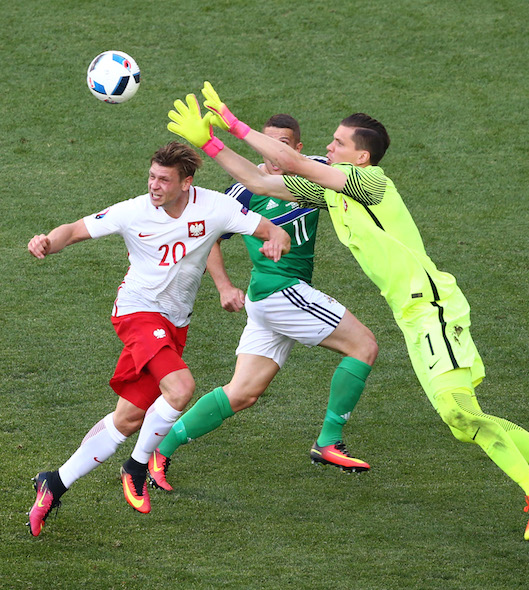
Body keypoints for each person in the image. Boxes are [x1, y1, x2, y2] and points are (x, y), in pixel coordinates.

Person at [165, 84, 529, 542]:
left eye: (339, 143)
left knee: (460, 414)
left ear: (360, 158)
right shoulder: (331, 193)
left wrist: (233, 122)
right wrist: (209, 142)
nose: (328, 146)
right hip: (414, 317)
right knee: (461, 421)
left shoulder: (371, 183)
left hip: (432, 309)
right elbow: (261, 182)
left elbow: (295, 162)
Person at [25, 141, 290, 535]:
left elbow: (270, 229)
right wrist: (49, 239)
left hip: (174, 324)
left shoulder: (215, 207)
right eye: (151, 176)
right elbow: (77, 230)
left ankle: (55, 482)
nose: (154, 186)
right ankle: (135, 468)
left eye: (164, 179)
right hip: (136, 312)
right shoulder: (134, 211)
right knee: (181, 388)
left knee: (127, 420)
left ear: (187, 182)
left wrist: (277, 240)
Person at [146, 115, 378, 493]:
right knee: (364, 345)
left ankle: (158, 451)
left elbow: (352, 171)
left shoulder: (315, 171)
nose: (272, 153)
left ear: (298, 149)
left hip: (268, 300)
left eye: (283, 144)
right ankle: (328, 442)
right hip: (280, 292)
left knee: (242, 393)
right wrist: (223, 286)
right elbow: (208, 237)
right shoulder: (245, 191)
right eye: (265, 143)